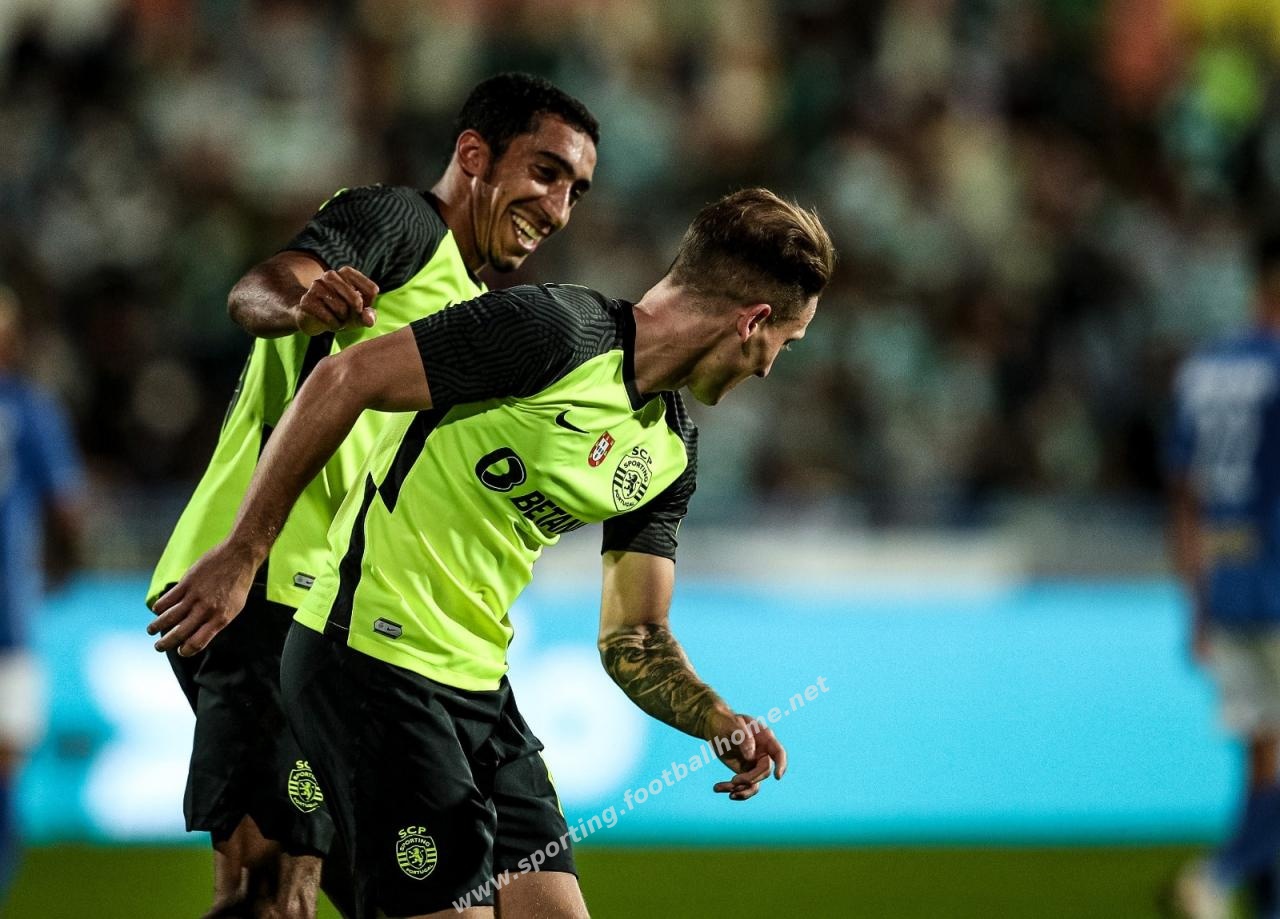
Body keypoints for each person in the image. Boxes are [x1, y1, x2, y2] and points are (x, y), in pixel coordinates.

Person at [148, 187, 835, 918]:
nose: (770, 367)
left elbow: (635, 634)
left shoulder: (670, 450)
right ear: (752, 320)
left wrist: (716, 717)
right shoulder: (552, 330)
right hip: (367, 660)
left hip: (478, 688)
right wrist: (244, 551)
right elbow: (343, 377)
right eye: (784, 343)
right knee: (278, 893)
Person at [146, 73, 598, 919]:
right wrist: (302, 303)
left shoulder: (478, 313)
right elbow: (260, 286)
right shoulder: (402, 224)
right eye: (545, 172)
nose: (558, 207)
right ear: (474, 154)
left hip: (351, 622)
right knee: (271, 885)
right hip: (261, 586)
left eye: (575, 190)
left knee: (403, 895)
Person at [1168, 233, 1280, 919]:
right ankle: (1221, 871)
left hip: (1229, 579)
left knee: (1264, 753)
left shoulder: (1203, 369)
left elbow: (1184, 496)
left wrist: (1198, 601)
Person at [0, 287, 84, 905]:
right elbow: (67, 505)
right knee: (5, 765)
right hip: (7, 620)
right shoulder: (27, 407)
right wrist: (64, 566)